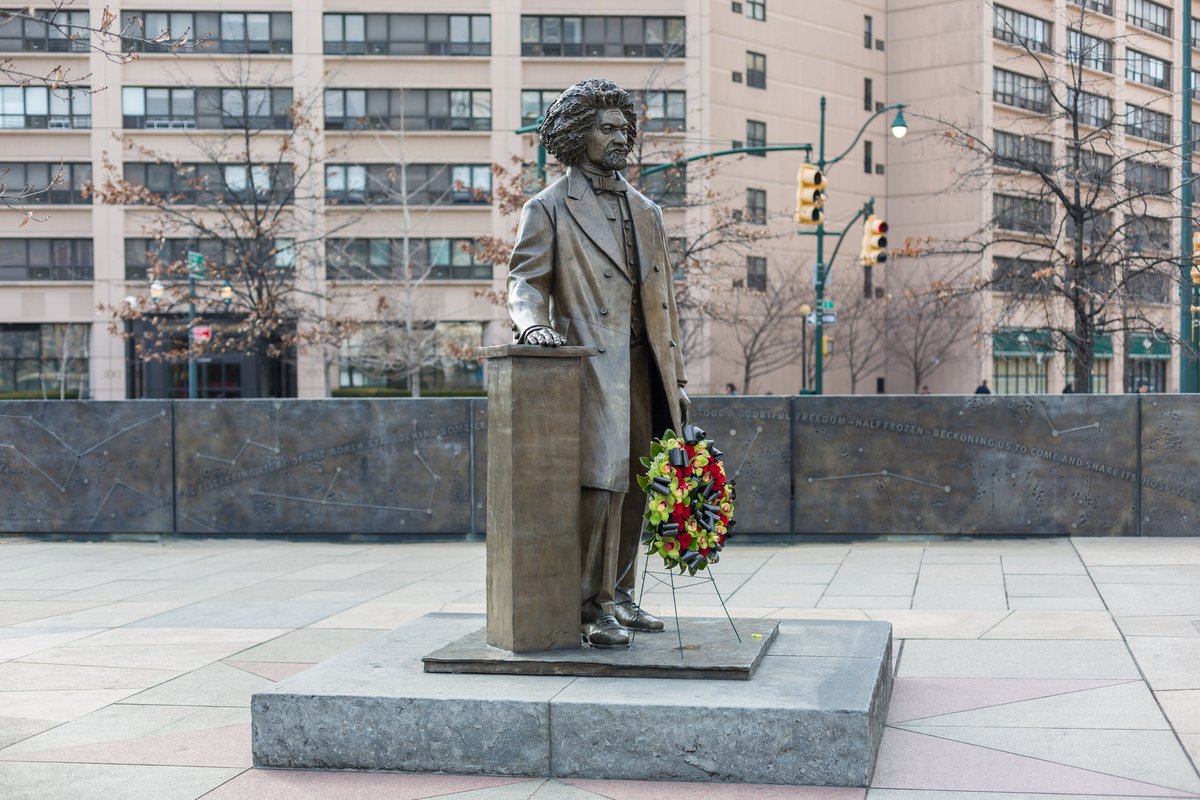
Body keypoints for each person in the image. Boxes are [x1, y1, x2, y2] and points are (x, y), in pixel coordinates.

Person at [507, 79, 688, 648]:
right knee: (602, 484)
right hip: (591, 364)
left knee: (640, 481)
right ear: (576, 135)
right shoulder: (549, 208)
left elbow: (665, 303)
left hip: (645, 366)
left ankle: (622, 591)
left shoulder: (647, 211)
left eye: (623, 129)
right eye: (606, 129)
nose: (619, 139)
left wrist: (676, 379)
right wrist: (533, 325)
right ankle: (591, 606)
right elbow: (524, 281)